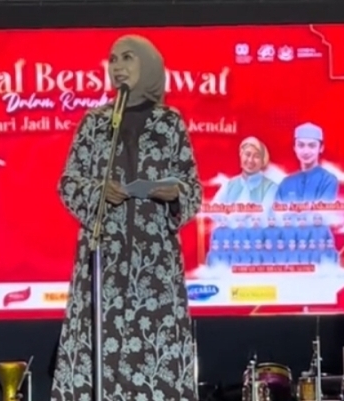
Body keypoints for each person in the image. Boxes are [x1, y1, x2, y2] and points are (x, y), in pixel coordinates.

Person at [51, 35, 201, 401]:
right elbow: (68, 183)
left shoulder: (169, 123)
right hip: (104, 262)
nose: (117, 66)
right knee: (99, 354)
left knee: (154, 359)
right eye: (113, 59)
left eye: (127, 58)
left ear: (148, 65)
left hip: (155, 268)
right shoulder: (95, 122)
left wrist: (173, 192)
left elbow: (193, 189)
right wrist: (98, 191)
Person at [275, 123, 338, 203]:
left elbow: (323, 209)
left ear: (321, 148)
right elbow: (276, 209)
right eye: (301, 145)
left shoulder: (328, 180)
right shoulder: (286, 183)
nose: (306, 151)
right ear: (294, 148)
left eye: (312, 146)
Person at [211, 136, 277, 209]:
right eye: (247, 154)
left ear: (262, 160)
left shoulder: (271, 188)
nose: (250, 160)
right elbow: (213, 210)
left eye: (256, 156)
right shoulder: (229, 186)